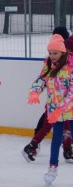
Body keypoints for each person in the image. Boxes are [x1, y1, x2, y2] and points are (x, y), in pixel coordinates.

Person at [22, 25, 73, 162]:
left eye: (54, 52)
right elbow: (42, 79)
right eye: (50, 52)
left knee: (61, 127)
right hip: (55, 103)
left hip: (65, 103)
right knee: (50, 126)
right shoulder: (52, 62)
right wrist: (34, 92)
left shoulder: (67, 60)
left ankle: (67, 150)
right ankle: (33, 146)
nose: (52, 55)